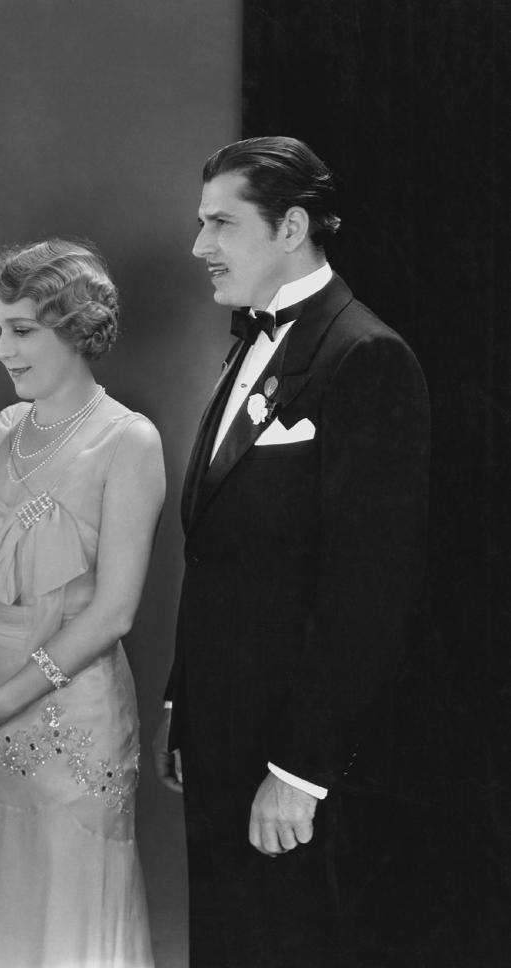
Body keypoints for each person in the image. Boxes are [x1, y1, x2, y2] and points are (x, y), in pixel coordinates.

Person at [153, 137, 430, 967]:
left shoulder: (366, 356)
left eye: (220, 224)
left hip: (290, 755)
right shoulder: (250, 340)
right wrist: (184, 699)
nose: (200, 246)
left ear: (292, 227)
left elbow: (371, 591)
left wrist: (302, 770)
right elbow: (220, 551)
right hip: (220, 736)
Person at [0, 239, 164, 968]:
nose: (3, 350)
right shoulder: (5, 428)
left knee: (64, 916)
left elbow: (113, 614)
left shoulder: (129, 440)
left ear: (77, 327)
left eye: (23, 330)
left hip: (70, 719)